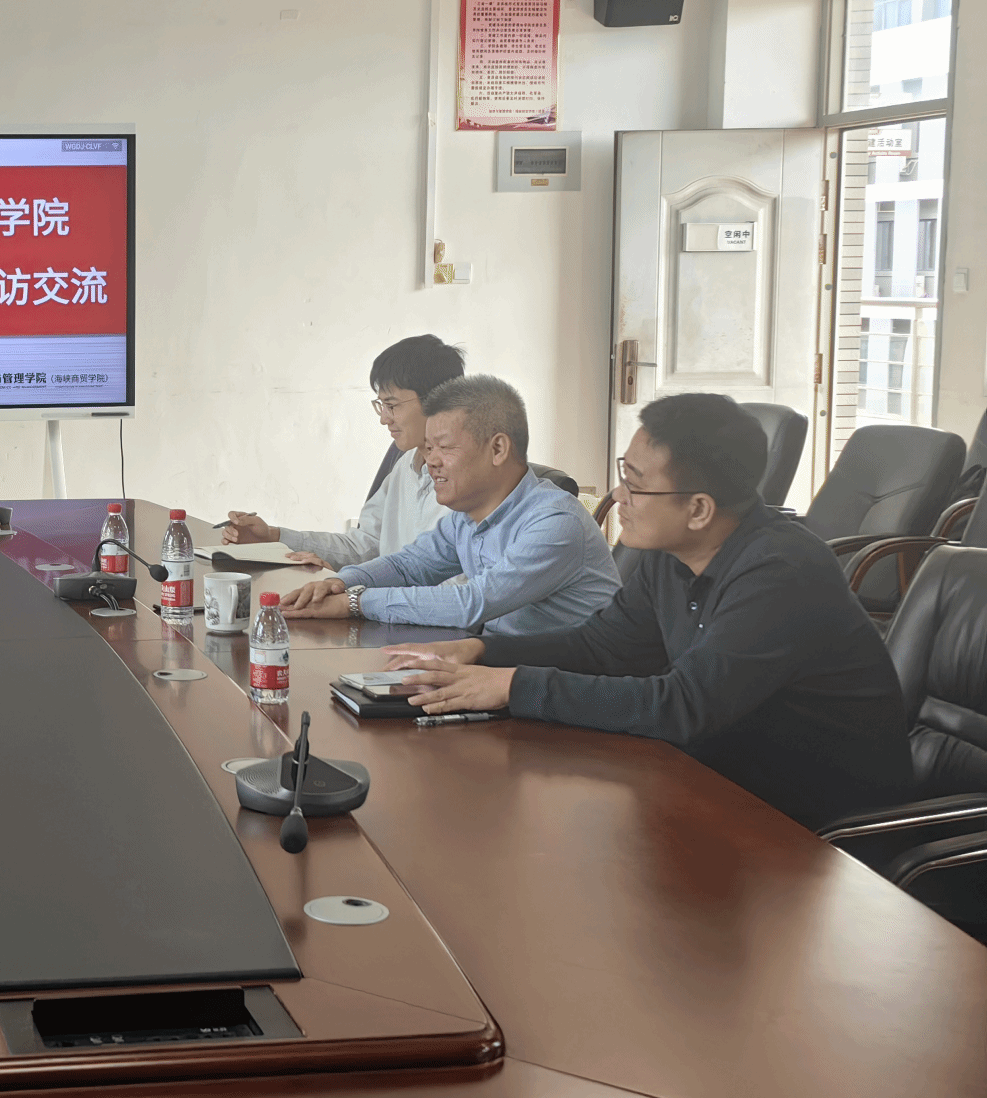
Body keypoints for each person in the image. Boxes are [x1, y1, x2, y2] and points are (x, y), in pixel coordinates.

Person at [386, 394, 914, 830]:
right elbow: (603, 646)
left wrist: (513, 684)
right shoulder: (673, 552)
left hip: (821, 828)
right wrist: (482, 650)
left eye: (636, 485)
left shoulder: (782, 571)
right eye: (625, 473)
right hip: (719, 784)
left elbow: (684, 706)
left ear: (698, 509)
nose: (619, 495)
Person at [282, 374, 617, 633]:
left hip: (568, 686)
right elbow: (408, 567)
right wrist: (339, 582)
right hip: (504, 667)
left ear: (498, 449)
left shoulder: (556, 522)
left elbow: (473, 602)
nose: (431, 461)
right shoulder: (466, 517)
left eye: (444, 447)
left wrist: (355, 601)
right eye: (429, 448)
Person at [221, 334, 464, 567]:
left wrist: (352, 584)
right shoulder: (405, 466)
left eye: (391, 405)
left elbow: (452, 586)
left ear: (437, 399)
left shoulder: (468, 482)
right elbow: (363, 546)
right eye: (381, 406)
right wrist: (274, 536)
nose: (384, 419)